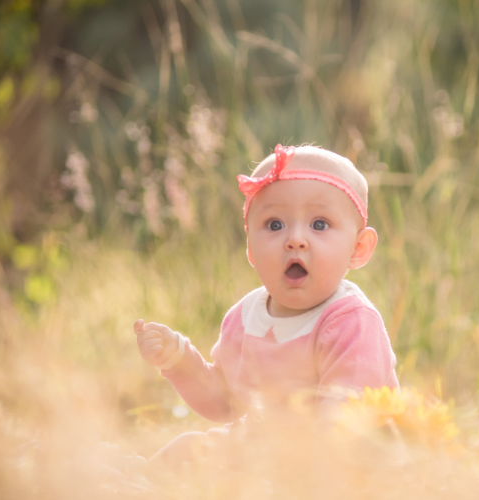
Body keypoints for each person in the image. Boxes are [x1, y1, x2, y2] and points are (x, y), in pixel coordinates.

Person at [133, 144, 399, 461]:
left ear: (358, 248)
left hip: (336, 459)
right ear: (250, 249)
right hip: (261, 450)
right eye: (275, 224)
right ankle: (134, 481)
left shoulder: (351, 322)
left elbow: (346, 418)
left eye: (319, 224)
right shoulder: (245, 318)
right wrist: (177, 359)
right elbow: (224, 402)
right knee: (187, 449)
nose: (295, 239)